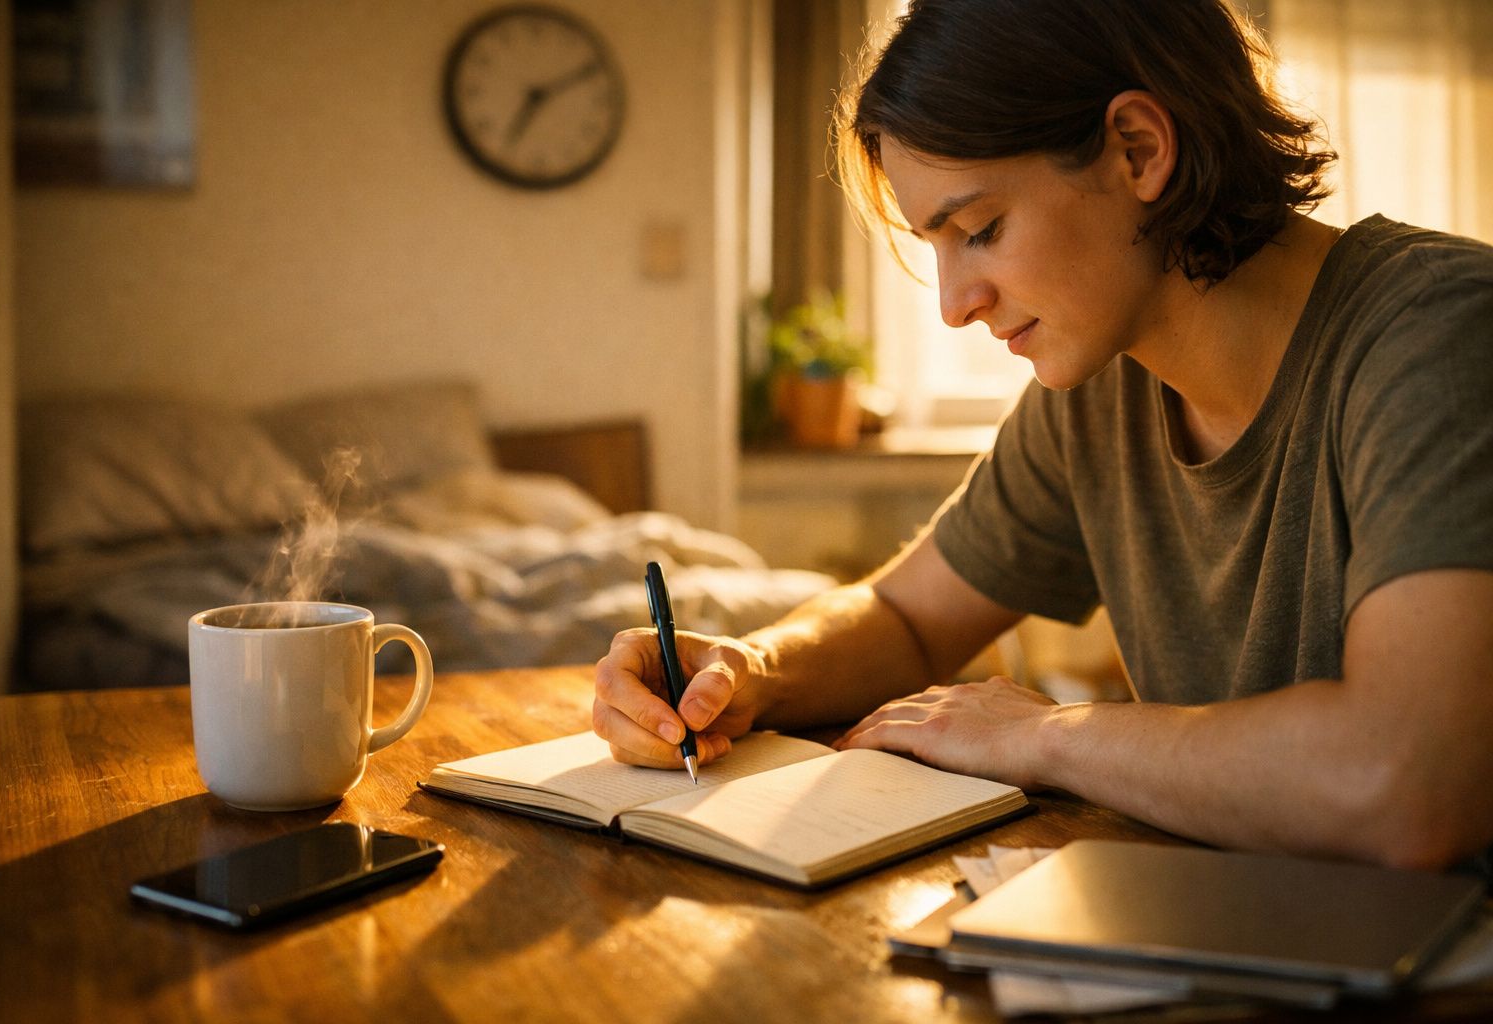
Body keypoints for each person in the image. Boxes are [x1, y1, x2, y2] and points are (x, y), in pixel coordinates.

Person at [594, 0, 1493, 870]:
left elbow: (1411, 785)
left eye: (980, 229)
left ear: (1139, 149)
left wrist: (1047, 736)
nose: (954, 306)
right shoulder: (1100, 391)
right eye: (937, 245)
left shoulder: (1440, 332)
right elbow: (908, 616)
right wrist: (748, 670)